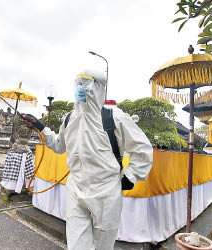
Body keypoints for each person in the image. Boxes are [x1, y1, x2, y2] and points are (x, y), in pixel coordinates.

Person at [21, 70, 153, 250]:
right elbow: (59, 145)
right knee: (76, 244)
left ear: (99, 87)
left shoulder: (114, 117)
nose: (81, 89)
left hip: (106, 191)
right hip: (76, 188)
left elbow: (142, 148)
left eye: (86, 83)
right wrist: (40, 126)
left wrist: (131, 176)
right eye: (78, 84)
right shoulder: (70, 118)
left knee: (103, 245)